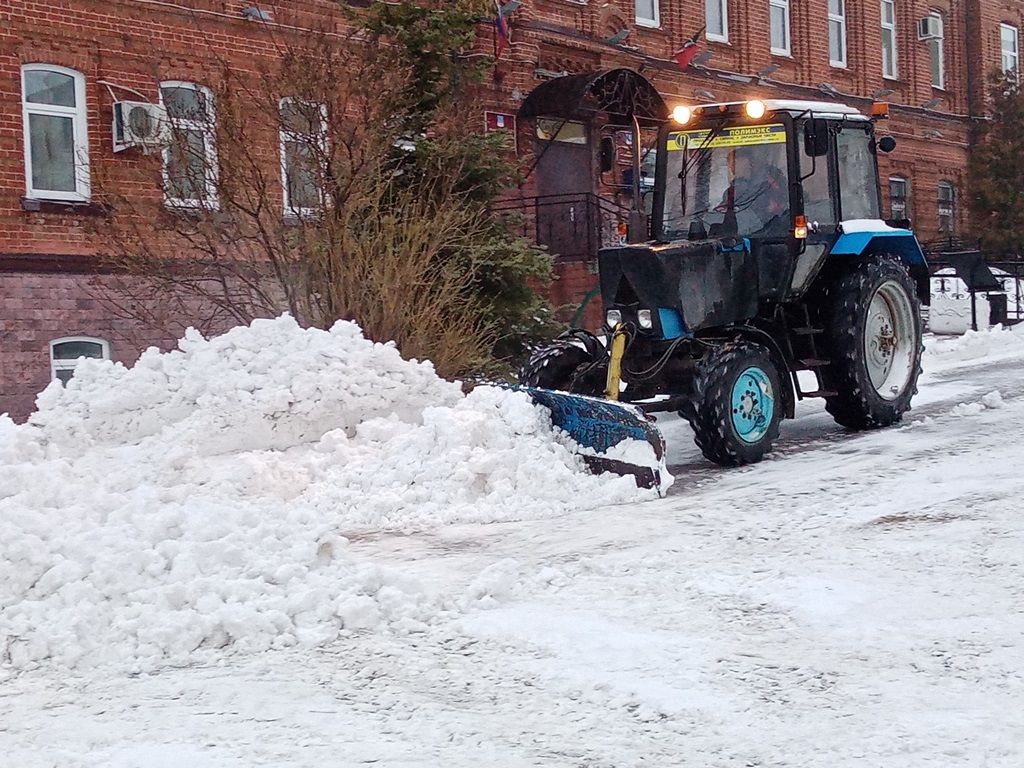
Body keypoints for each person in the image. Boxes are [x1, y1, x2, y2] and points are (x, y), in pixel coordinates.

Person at [716, 147, 789, 234]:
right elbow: (724, 211)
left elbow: (777, 209)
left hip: (769, 234)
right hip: (740, 235)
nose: (732, 168)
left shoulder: (768, 185)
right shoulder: (731, 191)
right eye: (730, 164)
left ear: (749, 163)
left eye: (735, 162)